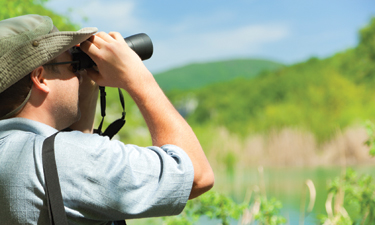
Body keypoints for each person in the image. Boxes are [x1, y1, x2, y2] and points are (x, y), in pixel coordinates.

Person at [0, 14, 214, 224]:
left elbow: (74, 193)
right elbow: (196, 175)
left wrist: (86, 87)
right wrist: (136, 77)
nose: (80, 74)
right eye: (73, 65)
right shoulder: (69, 159)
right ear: (40, 78)